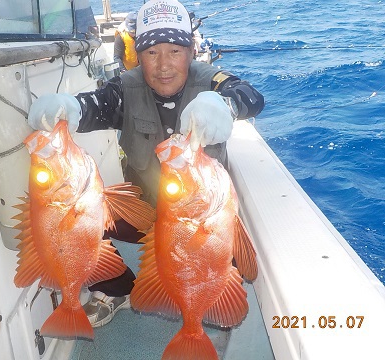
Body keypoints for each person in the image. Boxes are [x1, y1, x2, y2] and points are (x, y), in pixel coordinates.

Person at [27, 0, 264, 328]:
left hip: (201, 214)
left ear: (191, 52)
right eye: (152, 52)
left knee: (227, 259)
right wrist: (70, 108)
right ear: (138, 56)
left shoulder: (210, 79)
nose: (164, 65)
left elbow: (251, 95)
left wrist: (226, 105)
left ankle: (205, 300)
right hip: (144, 213)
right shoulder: (125, 89)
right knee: (79, 217)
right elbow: (96, 105)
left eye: (175, 51)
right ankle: (117, 288)